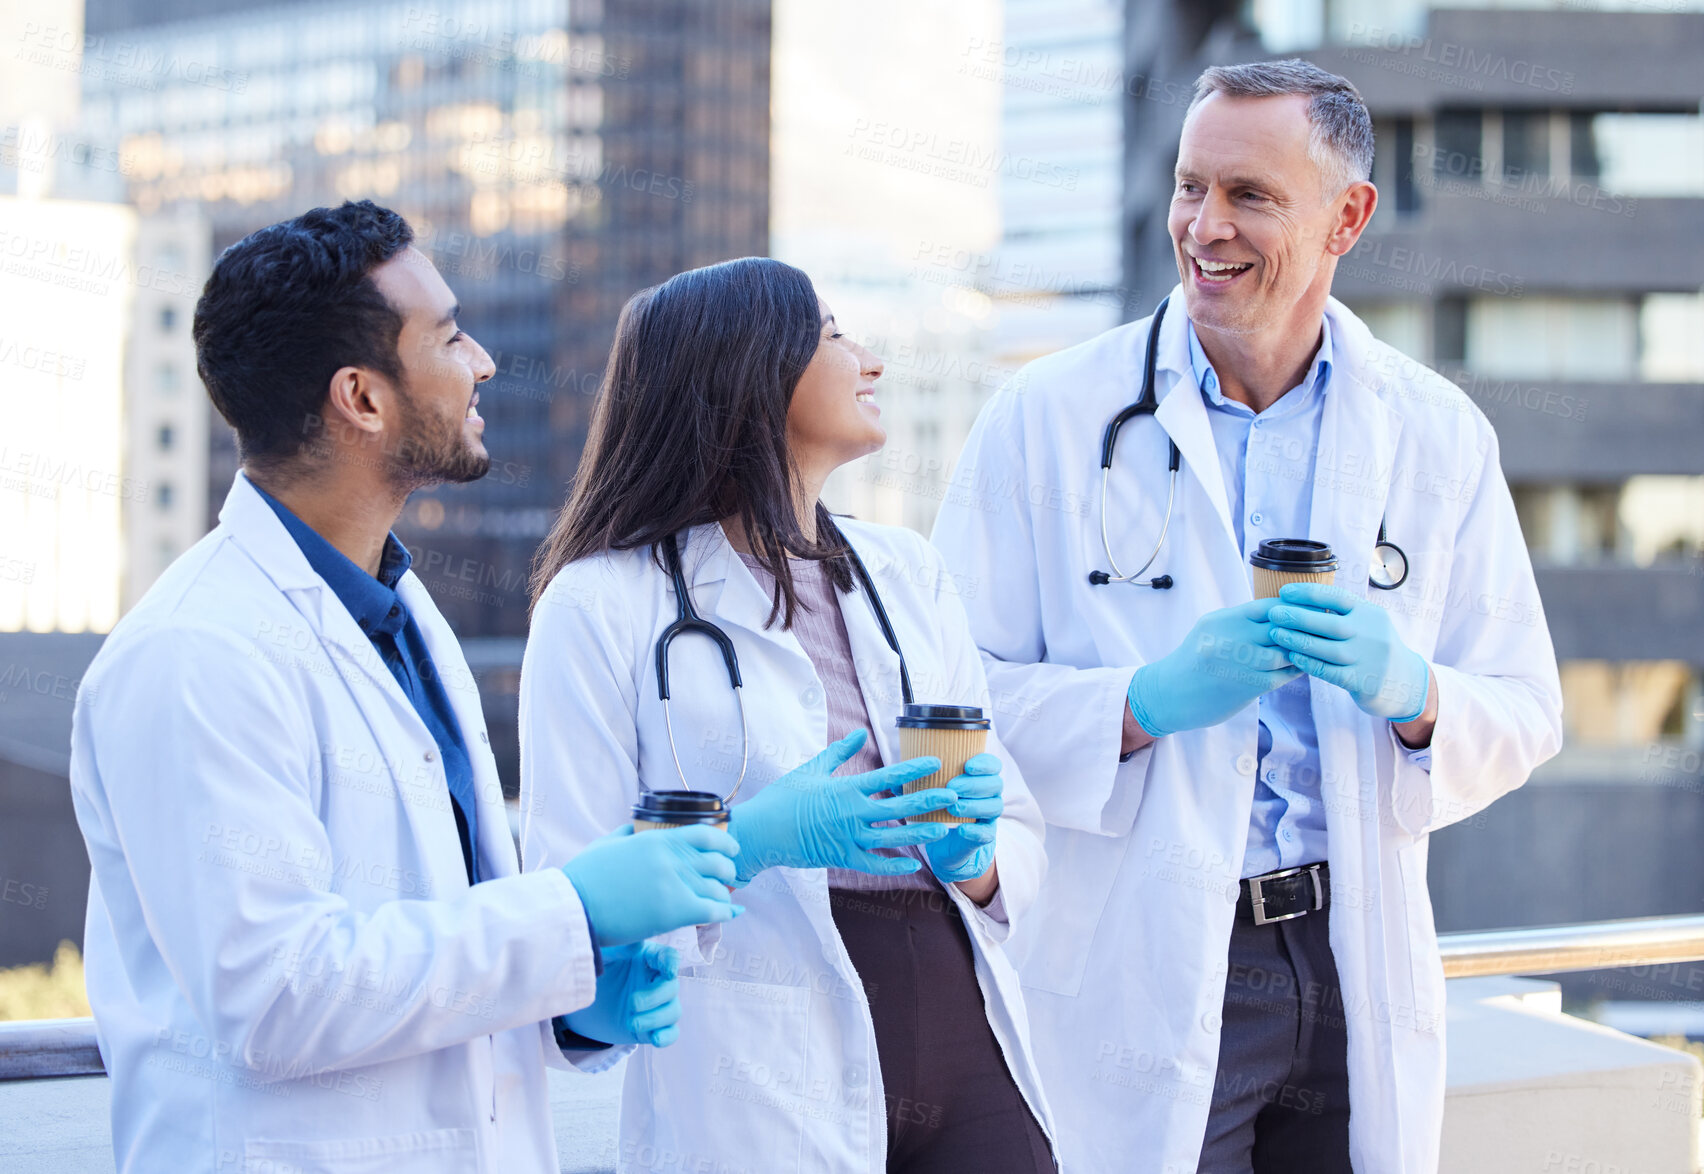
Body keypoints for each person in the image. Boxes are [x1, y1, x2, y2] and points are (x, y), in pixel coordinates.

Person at [931, 61, 1563, 1174]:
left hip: (1346, 951)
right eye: (1190, 188)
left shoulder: (1437, 432)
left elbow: (1523, 708)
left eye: (1250, 197)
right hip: (1149, 953)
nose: (1204, 227)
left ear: (1347, 218)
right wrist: (1138, 702)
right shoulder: (1047, 417)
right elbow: (944, 701)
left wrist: (1415, 695)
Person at [68, 201, 743, 1174]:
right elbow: (274, 993)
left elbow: (444, 926)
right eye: (451, 335)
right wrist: (571, 909)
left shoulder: (403, 611)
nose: (484, 363)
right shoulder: (191, 654)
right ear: (363, 397)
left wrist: (572, 1007)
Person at [519, 257, 1057, 1173]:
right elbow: (569, 888)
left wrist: (979, 859)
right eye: (836, 334)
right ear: (751, 372)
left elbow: (1014, 817)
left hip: (961, 1021)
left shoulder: (907, 573)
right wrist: (750, 844)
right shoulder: (600, 605)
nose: (871, 359)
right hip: (760, 1054)